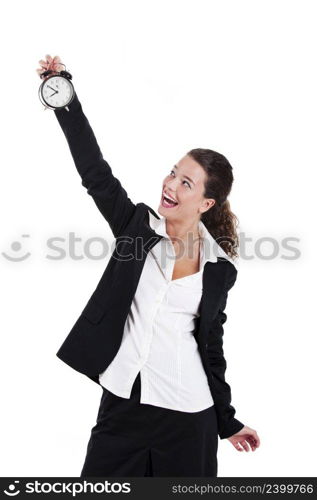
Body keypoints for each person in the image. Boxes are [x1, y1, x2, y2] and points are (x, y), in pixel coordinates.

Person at [36, 54, 260, 477]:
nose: (170, 185)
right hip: (124, 406)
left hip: (189, 416)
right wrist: (64, 98)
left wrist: (226, 421)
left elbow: (211, 347)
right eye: (173, 173)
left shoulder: (219, 268)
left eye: (186, 183)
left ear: (206, 203)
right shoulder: (135, 227)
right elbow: (95, 174)